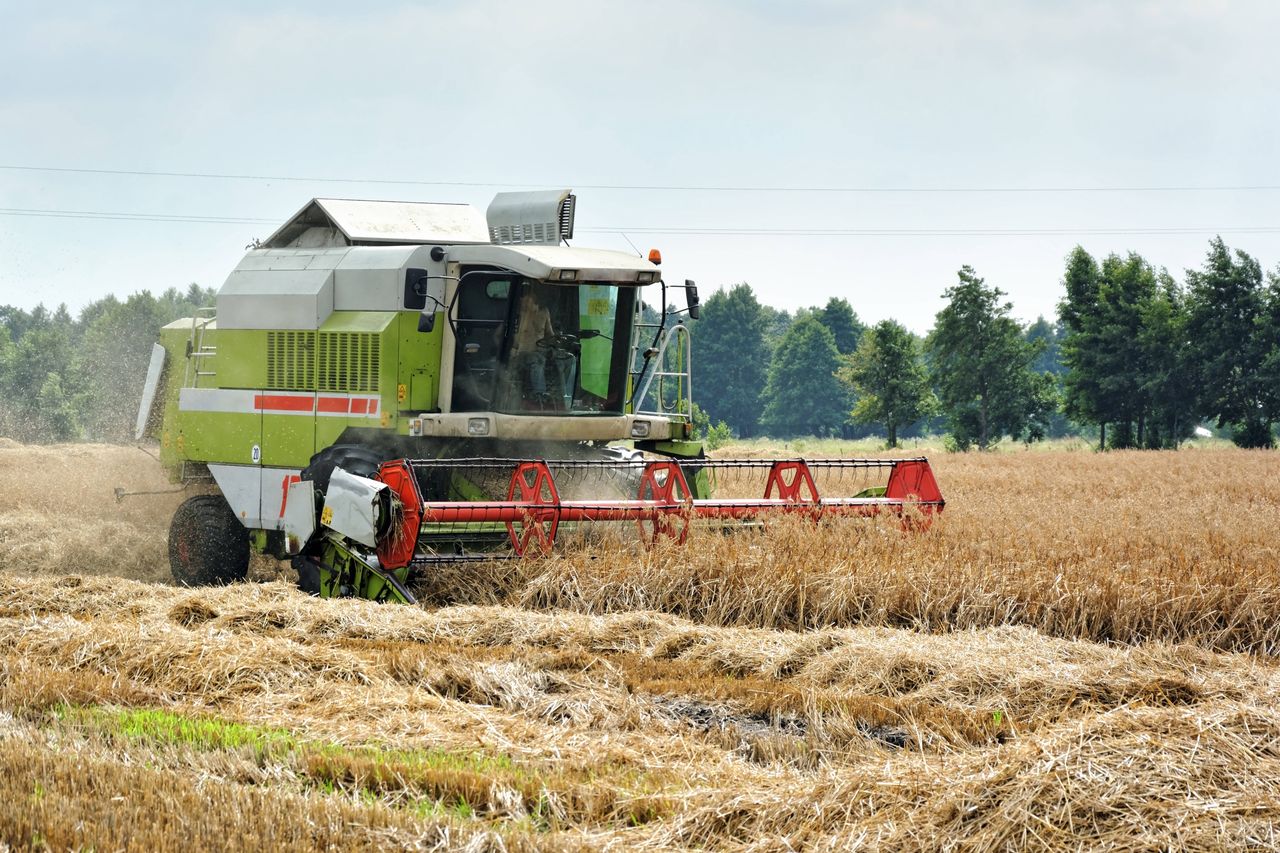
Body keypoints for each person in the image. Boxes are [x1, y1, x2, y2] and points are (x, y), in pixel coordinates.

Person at [509, 285, 557, 402]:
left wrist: (555, 348)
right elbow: (499, 335)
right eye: (521, 300)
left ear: (532, 298)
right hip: (521, 354)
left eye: (526, 299)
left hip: (540, 352)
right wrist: (511, 350)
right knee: (537, 360)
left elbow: (550, 335)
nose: (523, 302)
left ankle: (562, 396)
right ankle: (539, 394)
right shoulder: (518, 315)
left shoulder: (544, 312)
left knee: (568, 360)